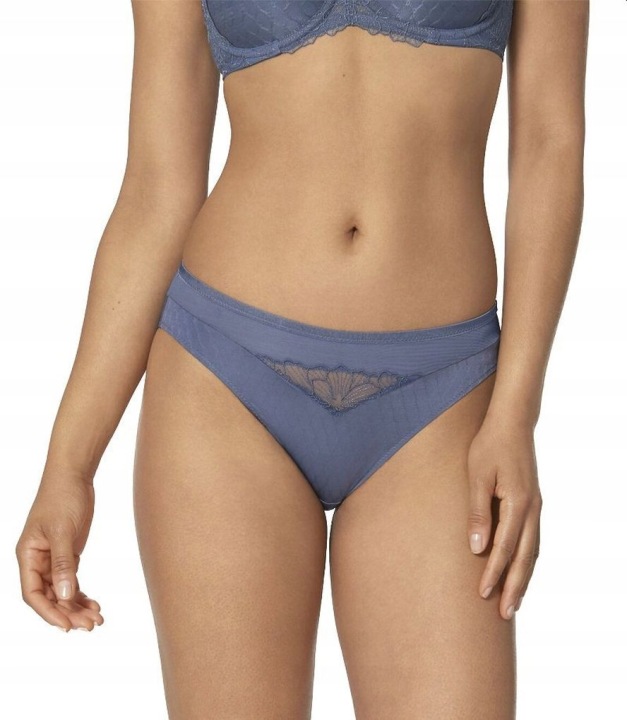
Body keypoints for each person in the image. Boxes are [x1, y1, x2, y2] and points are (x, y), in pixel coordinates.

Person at [15, 0, 588, 717]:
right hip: (225, 381)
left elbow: (549, 146)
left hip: (443, 402)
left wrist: (516, 413)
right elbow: (157, 187)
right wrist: (69, 466)